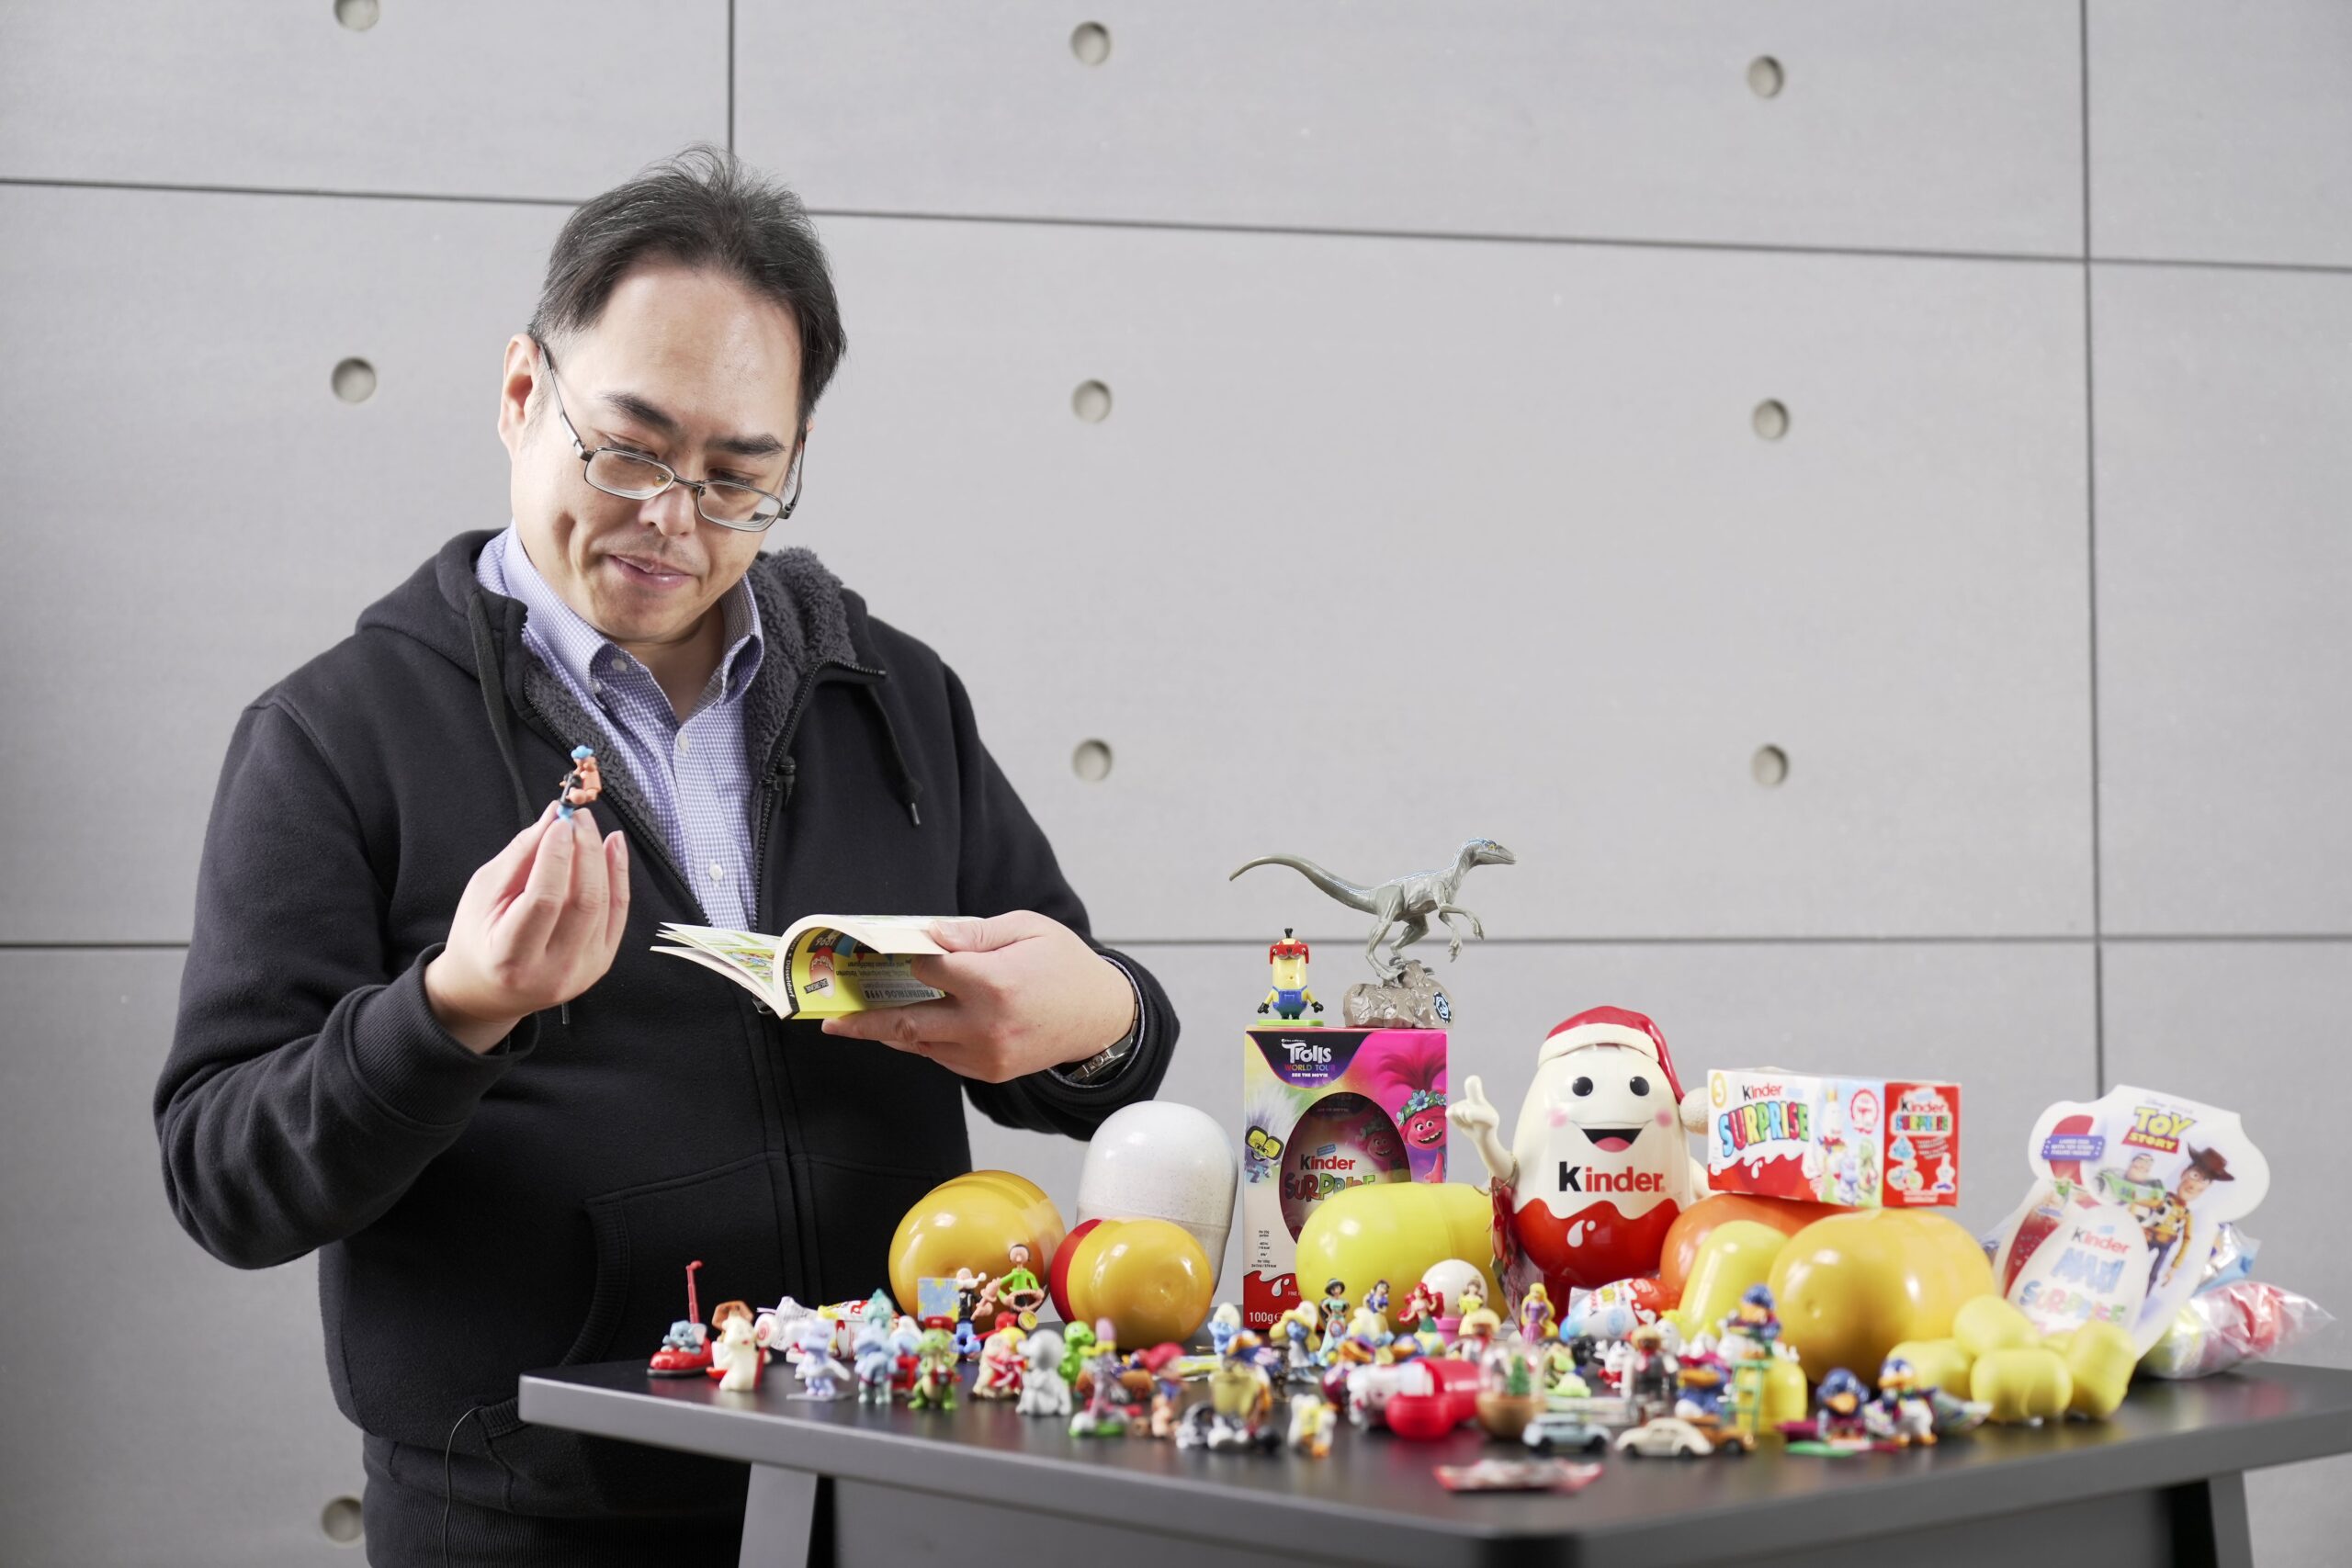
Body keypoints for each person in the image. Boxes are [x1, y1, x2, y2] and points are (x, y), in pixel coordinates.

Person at [153, 147, 1177, 1565]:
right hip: (528, 1519)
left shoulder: (895, 694)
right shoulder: (336, 736)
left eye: (738, 478)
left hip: (895, 1484)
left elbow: (1098, 1038)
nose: (673, 522)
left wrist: (1100, 1022)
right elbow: (224, 1176)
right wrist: (452, 1013)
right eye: (629, 452)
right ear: (524, 393)